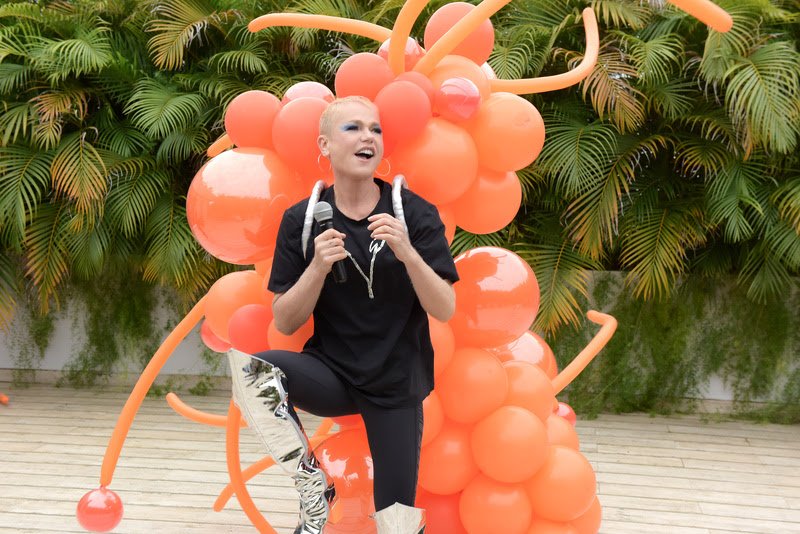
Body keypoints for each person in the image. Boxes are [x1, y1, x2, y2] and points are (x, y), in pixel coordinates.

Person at [228, 95, 458, 534]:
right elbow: (286, 321)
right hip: (332, 372)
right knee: (253, 370)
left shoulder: (414, 213)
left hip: (395, 381)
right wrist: (316, 266)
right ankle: (314, 489)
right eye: (353, 128)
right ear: (325, 144)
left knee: (397, 523)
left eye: (375, 129)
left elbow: (444, 308)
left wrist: (408, 252)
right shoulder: (302, 219)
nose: (368, 137)